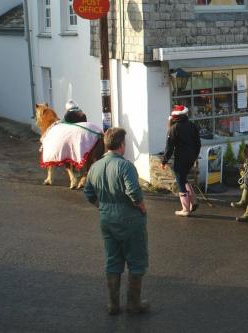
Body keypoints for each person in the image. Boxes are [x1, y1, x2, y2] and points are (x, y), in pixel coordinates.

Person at [83, 127, 150, 315]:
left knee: (113, 260)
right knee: (136, 261)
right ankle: (133, 304)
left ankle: (113, 304)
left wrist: (102, 206)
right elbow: (134, 192)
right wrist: (141, 206)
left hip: (106, 218)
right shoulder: (125, 166)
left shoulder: (95, 166)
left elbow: (88, 193)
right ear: (122, 145)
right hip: (129, 219)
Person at [161, 105, 201, 217]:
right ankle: (193, 201)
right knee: (183, 178)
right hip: (191, 157)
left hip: (181, 158)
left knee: (180, 180)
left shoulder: (174, 129)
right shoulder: (192, 126)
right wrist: (195, 155)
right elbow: (198, 143)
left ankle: (185, 209)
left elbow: (169, 148)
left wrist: (164, 161)